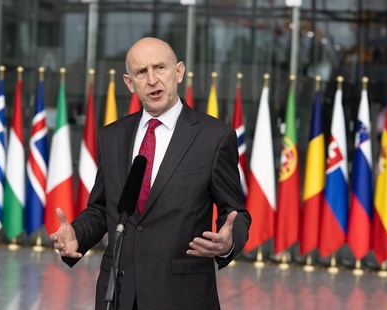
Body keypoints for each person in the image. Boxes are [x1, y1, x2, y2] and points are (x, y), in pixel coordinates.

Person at [50, 37, 251, 310]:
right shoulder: (112, 136)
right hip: (118, 294)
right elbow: (100, 209)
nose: (152, 79)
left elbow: (235, 212)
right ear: (129, 83)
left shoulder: (214, 137)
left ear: (179, 71)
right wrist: (76, 234)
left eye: (160, 68)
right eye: (141, 72)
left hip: (183, 295)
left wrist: (228, 242)